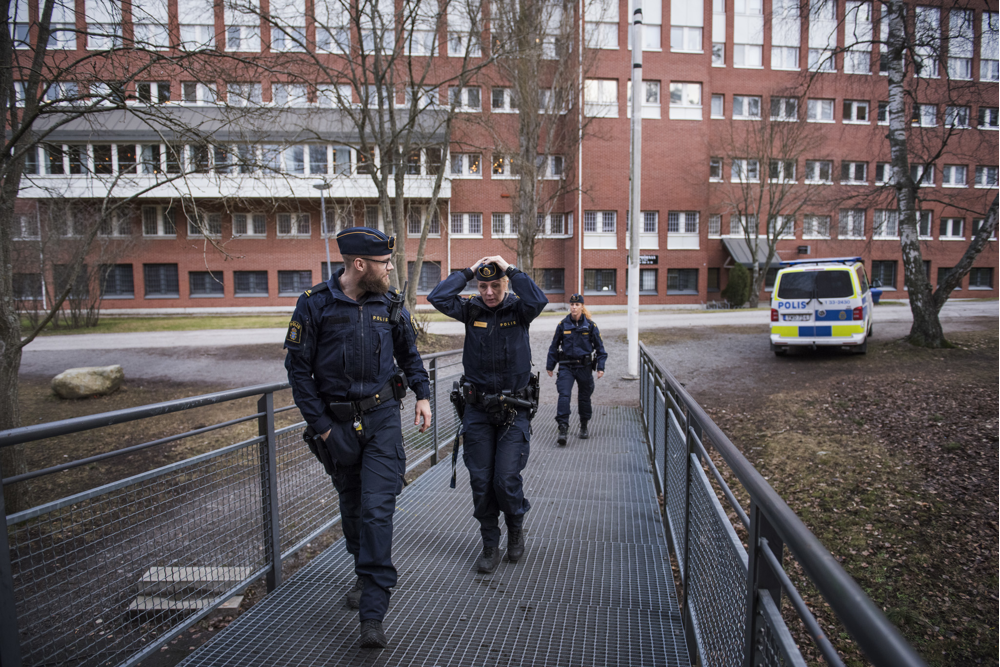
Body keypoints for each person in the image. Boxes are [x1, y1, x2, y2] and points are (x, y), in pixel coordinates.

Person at [284, 227, 432, 649]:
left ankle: (373, 613)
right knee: (352, 507)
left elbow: (409, 355)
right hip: (337, 425)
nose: (390, 270)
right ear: (360, 264)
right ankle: (364, 573)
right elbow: (298, 373)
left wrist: (423, 395)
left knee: (376, 510)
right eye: (385, 264)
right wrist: (325, 428)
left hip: (383, 419)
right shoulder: (314, 304)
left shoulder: (390, 303)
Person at [427, 255, 548, 573]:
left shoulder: (519, 310)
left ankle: (515, 524)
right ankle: (490, 544)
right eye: (482, 286)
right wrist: (467, 272)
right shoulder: (471, 310)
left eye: (495, 285)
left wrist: (509, 268)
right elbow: (437, 297)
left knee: (505, 479)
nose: (489, 292)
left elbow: (539, 299)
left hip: (514, 410)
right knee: (481, 481)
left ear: (505, 283)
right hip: (478, 410)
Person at [546, 294, 607, 446]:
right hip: (566, 366)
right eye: (572, 305)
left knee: (584, 397)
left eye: (577, 305)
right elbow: (554, 346)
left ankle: (584, 425)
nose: (574, 307)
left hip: (584, 367)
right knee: (564, 395)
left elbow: (600, 349)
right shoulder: (563, 325)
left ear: (582, 306)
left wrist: (600, 367)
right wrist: (550, 366)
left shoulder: (590, 326)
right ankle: (563, 428)